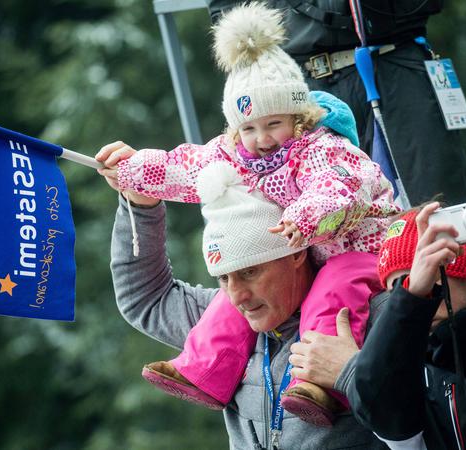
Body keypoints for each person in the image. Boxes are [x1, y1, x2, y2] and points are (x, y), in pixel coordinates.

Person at [96, 2, 400, 427]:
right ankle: (204, 369)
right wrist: (134, 176)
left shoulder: (322, 148)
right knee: (227, 308)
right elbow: (183, 167)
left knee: (336, 288)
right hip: (298, 243)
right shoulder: (235, 156)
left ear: (298, 117)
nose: (261, 140)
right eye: (249, 128)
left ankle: (320, 383)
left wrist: (304, 218)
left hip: (357, 247)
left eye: (273, 123)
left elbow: (340, 188)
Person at [105, 163, 390, 448]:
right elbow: (146, 298)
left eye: (249, 272)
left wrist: (351, 374)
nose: (236, 296)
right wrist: (140, 206)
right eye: (223, 278)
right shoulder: (219, 323)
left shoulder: (377, 313)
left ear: (296, 254)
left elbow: (423, 417)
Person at [289, 189, 466, 449]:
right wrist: (412, 296)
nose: (422, 285)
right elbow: (379, 406)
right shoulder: (414, 385)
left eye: (430, 269)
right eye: (399, 286)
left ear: (464, 269)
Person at [207, 0, 466, 206]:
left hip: (396, 60)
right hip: (301, 84)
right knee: (327, 227)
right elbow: (227, 14)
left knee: (440, 209)